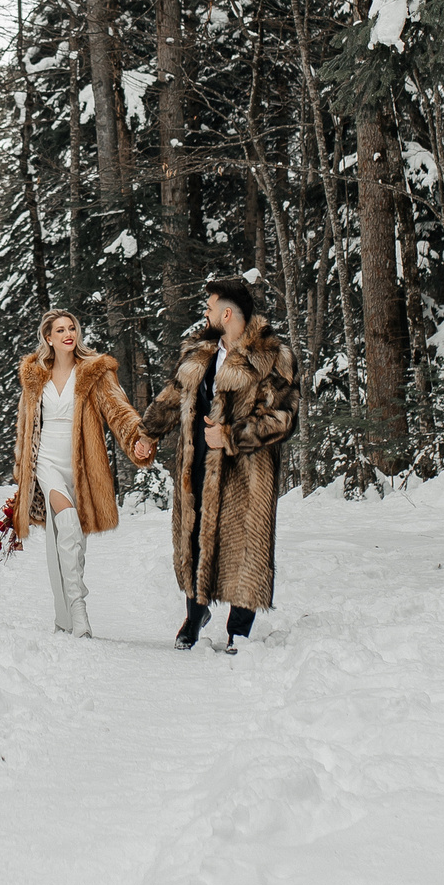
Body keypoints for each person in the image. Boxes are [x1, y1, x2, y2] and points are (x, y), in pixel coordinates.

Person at [141, 276, 296, 651]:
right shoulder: (200, 353)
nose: (205, 313)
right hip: (197, 466)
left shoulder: (273, 356)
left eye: (209, 307)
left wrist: (228, 435)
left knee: (245, 547)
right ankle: (194, 618)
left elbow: (283, 417)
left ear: (227, 313)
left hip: (246, 473)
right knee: (194, 539)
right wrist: (148, 433)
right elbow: (173, 395)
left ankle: (239, 632)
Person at [13, 309, 155, 637]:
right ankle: (79, 612)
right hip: (46, 462)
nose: (68, 333)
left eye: (72, 327)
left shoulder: (94, 372)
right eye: (60, 329)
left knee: (73, 542)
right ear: (48, 338)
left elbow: (119, 410)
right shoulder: (34, 376)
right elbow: (24, 429)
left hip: (82, 466)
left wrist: (138, 438)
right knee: (66, 522)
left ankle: (64, 613)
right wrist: (23, 477)